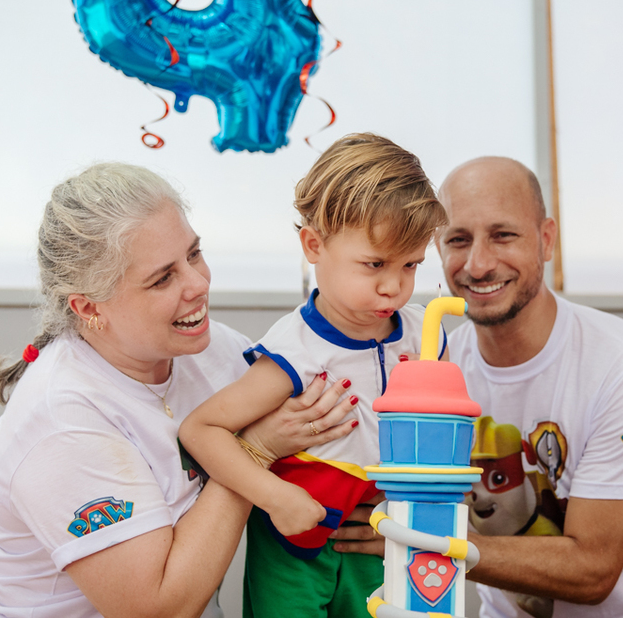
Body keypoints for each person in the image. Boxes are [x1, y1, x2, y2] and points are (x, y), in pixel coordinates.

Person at [0, 162, 359, 618]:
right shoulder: (62, 424)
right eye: (162, 278)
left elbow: (327, 441)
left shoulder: (213, 352)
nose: (199, 284)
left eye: (194, 254)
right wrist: (252, 451)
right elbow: (159, 610)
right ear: (89, 308)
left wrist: (383, 522)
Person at [179, 133, 448, 618]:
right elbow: (200, 429)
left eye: (411, 265)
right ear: (314, 245)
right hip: (294, 541)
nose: (394, 286)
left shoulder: (423, 335)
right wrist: (276, 498)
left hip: (376, 533)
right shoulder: (294, 350)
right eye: (374, 264)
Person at [434, 156, 623, 617]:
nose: (478, 265)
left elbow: (592, 569)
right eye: (458, 240)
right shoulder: (439, 368)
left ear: (546, 240)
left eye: (503, 235)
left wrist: (427, 542)